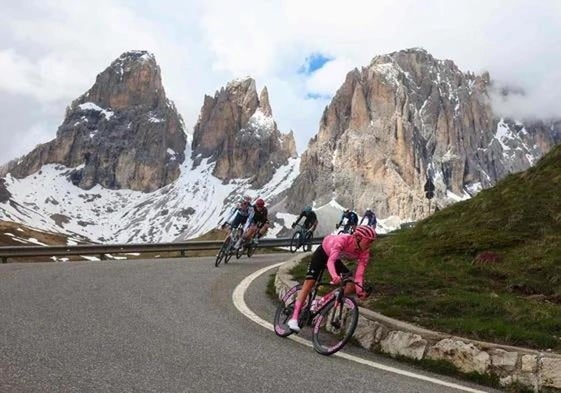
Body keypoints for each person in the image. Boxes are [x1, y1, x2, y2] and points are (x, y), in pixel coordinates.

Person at [287, 225, 377, 332]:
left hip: (335, 259)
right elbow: (330, 261)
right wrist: (334, 276)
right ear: (358, 238)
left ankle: (320, 302)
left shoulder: (364, 252)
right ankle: (294, 318)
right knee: (310, 283)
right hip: (323, 253)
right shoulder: (343, 240)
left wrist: (360, 291)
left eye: (372, 242)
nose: (370, 244)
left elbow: (359, 276)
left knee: (351, 284)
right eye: (369, 241)